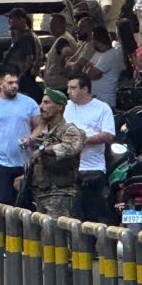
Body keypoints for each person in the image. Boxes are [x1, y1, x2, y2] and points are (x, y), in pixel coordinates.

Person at [15, 89, 85, 217]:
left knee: (58, 235)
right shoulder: (43, 133)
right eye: (41, 103)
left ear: (59, 107)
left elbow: (70, 148)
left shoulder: (70, 130)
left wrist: (43, 149)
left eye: (47, 103)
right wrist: (25, 178)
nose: (41, 107)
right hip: (40, 194)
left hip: (60, 194)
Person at [0, 71, 41, 205]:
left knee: (24, 204)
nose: (14, 86)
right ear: (1, 84)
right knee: (2, 203)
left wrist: (31, 138)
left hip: (24, 162)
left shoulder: (29, 103)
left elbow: (39, 126)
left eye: (16, 83)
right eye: (10, 83)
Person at [64, 76, 115, 223]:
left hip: (92, 168)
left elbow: (108, 135)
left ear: (85, 89)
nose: (68, 91)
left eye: (73, 88)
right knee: (72, 213)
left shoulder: (102, 108)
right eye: (68, 88)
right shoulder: (65, 106)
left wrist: (83, 140)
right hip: (69, 168)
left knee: (92, 213)